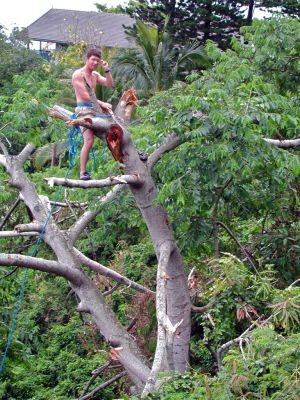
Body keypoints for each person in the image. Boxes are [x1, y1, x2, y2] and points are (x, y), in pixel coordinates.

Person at [72, 48, 114, 180]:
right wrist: (103, 104)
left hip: (96, 111)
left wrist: (107, 70)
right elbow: (85, 96)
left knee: (114, 131)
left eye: (97, 60)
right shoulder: (78, 74)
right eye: (93, 59)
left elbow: (109, 83)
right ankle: (83, 172)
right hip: (84, 111)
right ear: (87, 59)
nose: (95, 62)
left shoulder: (95, 75)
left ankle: (132, 154)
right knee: (89, 141)